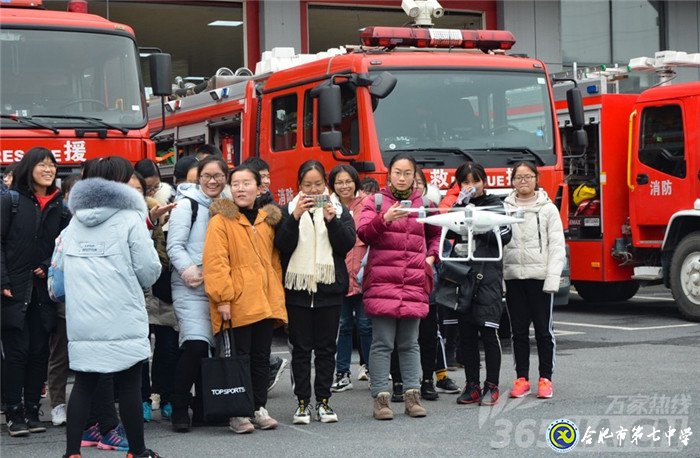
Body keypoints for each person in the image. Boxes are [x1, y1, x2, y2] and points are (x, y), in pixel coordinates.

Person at [60, 156, 162, 458]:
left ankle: (71, 453)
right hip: (121, 314)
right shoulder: (129, 218)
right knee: (130, 383)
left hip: (82, 318)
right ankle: (137, 451)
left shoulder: (74, 221)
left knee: (83, 383)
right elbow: (148, 269)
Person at [203, 165, 287, 433]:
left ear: (259, 188)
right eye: (236, 184)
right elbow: (216, 263)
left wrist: (276, 295)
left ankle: (258, 407)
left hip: (264, 300)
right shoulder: (220, 222)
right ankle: (237, 412)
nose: (240, 188)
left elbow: (274, 263)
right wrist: (223, 299)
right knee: (239, 357)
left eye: (246, 183)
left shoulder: (265, 221)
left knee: (262, 357)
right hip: (236, 302)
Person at [357, 153, 441, 421]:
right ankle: (381, 399)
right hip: (383, 281)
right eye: (397, 172)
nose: (402, 178)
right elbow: (364, 233)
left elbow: (437, 233)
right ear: (389, 174)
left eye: (407, 173)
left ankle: (412, 397)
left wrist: (431, 256)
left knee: (409, 343)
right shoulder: (377, 201)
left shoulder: (425, 204)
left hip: (414, 281)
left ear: (414, 176)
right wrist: (385, 218)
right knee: (382, 343)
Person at [275, 160, 355, 425]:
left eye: (318, 184)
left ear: (325, 184)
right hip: (297, 291)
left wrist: (332, 221)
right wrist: (295, 217)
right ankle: (301, 403)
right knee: (300, 350)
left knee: (325, 349)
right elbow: (283, 246)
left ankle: (323, 401)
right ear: (299, 185)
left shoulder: (340, 209)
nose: (312, 190)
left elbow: (346, 245)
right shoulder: (286, 210)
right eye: (307, 185)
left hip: (329, 291)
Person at [1, 148, 67, 437]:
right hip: (13, 288)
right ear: (29, 168)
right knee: (16, 352)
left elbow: (61, 247)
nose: (48, 169)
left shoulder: (59, 206)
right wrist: (3, 279)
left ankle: (32, 409)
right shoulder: (11, 201)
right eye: (42, 164)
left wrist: (44, 264)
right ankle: (13, 412)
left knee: (40, 352)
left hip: (43, 290)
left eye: (51, 165)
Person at [440, 162, 512, 407]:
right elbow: (447, 233)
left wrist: (476, 225)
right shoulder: (458, 205)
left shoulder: (495, 203)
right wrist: (458, 210)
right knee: (466, 333)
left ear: (484, 181)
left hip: (488, 275)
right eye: (466, 182)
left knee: (489, 331)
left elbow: (505, 235)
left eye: (475, 181)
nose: (471, 186)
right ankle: (472, 385)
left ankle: (492, 386)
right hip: (463, 273)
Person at [168, 157, 229, 432]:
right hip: (190, 286)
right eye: (207, 176)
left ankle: (206, 408)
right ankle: (180, 407)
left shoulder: (229, 206)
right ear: (198, 178)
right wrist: (190, 271)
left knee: (213, 350)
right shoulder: (186, 204)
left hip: (220, 288)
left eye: (218, 176)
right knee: (195, 346)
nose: (212, 181)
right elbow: (175, 246)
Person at [503, 161, 565, 399]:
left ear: (536, 179)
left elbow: (557, 246)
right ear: (513, 181)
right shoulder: (505, 208)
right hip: (513, 277)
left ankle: (545, 378)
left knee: (543, 332)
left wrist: (552, 278)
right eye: (518, 177)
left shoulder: (548, 209)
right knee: (518, 332)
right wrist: (501, 277)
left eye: (528, 177)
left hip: (539, 278)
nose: (523, 182)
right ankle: (521, 379)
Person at [239, 156, 289, 391]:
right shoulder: (225, 218)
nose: (267, 180)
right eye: (262, 176)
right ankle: (241, 402)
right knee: (242, 351)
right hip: (240, 294)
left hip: (266, 289)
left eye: (268, 175)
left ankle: (259, 405)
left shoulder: (273, 214)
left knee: (261, 351)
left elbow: (280, 251)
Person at [328, 165, 371, 392]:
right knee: (343, 326)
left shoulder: (369, 204)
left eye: (348, 181)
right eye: (339, 182)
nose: (344, 186)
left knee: (366, 325)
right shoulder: (327, 205)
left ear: (356, 182)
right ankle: (342, 373)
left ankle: (371, 368)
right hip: (338, 276)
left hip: (364, 274)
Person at [47, 173, 80, 427]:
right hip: (63, 295)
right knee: (61, 353)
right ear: (65, 195)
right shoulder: (56, 216)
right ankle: (58, 403)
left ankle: (82, 403)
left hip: (89, 296)